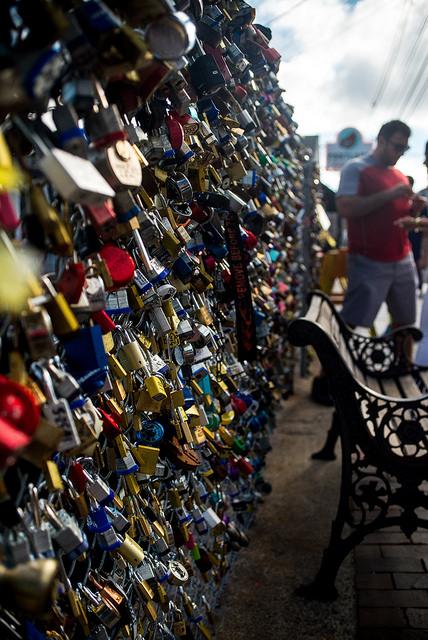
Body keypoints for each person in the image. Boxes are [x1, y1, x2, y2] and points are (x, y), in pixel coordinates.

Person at [312, 121, 426, 460]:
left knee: (406, 325)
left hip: (401, 257)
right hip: (369, 261)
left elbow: (395, 212)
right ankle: (326, 381)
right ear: (381, 140)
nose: (400, 153)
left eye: (404, 148)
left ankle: (402, 374)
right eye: (396, 146)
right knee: (352, 325)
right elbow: (347, 208)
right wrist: (391, 195)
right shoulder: (357, 168)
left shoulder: (397, 173)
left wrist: (413, 210)